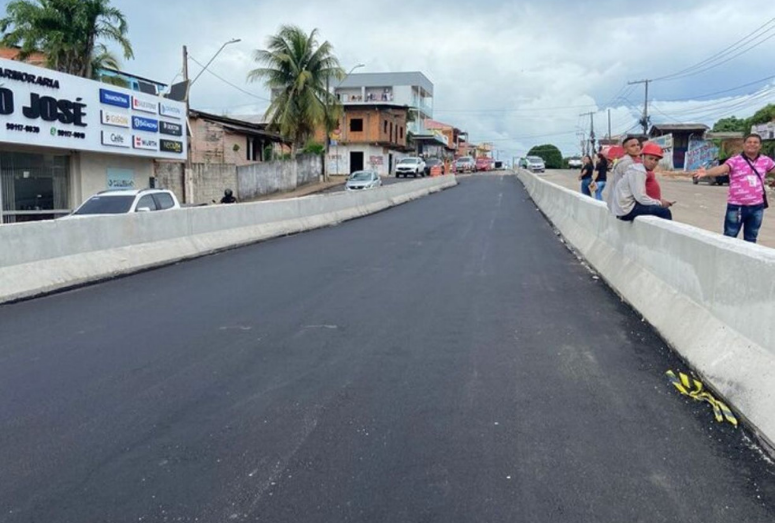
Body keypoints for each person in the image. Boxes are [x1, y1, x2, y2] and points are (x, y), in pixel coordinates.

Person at [694, 133, 775, 243]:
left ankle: (747, 259)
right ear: (744, 145)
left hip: (757, 206)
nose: (752, 144)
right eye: (749, 142)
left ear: (760, 146)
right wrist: (707, 172)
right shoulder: (735, 160)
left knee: (751, 237)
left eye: (755, 142)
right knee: (730, 237)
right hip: (737, 206)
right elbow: (722, 168)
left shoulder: (766, 161)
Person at [615, 142, 674, 221]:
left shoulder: (637, 169)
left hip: (626, 207)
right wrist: (660, 203)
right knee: (664, 212)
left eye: (656, 160)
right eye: (650, 158)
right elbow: (641, 197)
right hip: (627, 211)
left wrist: (658, 201)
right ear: (642, 157)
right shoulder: (638, 171)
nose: (653, 162)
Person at [605, 135, 643, 214]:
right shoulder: (628, 163)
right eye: (632, 146)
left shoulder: (625, 161)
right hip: (624, 207)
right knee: (663, 211)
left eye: (638, 145)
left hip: (618, 204)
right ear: (625, 150)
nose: (637, 147)